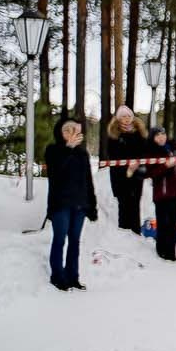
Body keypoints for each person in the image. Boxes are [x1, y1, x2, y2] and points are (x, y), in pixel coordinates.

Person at [43, 116, 97, 289]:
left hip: (80, 204)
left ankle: (72, 276)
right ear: (60, 132)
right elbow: (55, 173)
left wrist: (92, 206)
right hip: (60, 204)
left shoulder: (82, 154)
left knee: (75, 241)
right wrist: (68, 149)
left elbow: (88, 181)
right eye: (67, 129)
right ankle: (57, 276)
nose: (71, 132)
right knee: (59, 239)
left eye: (74, 129)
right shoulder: (53, 150)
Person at [103, 105, 149, 233]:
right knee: (123, 205)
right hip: (120, 176)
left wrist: (137, 164)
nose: (127, 119)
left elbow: (144, 152)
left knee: (135, 204)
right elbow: (112, 155)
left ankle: (135, 232)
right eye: (123, 116)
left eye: (129, 116)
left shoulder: (139, 133)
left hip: (136, 175)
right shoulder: (114, 135)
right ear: (118, 119)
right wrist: (126, 168)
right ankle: (123, 233)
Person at [144, 125, 176, 261]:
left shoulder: (173, 149)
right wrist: (165, 166)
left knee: (174, 223)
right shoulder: (151, 151)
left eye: (163, 134)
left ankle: (171, 253)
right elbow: (151, 173)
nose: (161, 137)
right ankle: (161, 250)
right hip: (162, 194)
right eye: (158, 135)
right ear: (153, 138)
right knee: (163, 223)